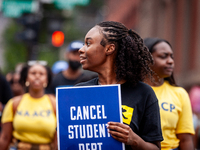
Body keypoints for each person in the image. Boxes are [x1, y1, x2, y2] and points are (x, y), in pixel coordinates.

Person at [76, 21, 163, 150]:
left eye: (88, 43)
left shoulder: (143, 93)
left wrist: (134, 140)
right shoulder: (79, 92)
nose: (81, 49)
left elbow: (156, 148)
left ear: (109, 48)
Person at [144, 37, 195, 150]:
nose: (170, 61)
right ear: (146, 59)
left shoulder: (180, 93)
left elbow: (185, 139)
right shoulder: (131, 91)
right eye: (163, 56)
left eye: (172, 57)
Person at [0, 61, 57, 150]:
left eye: (41, 74)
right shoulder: (14, 103)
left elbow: (59, 139)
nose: (37, 76)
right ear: (26, 78)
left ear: (47, 79)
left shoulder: (55, 104)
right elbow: (5, 138)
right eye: (33, 73)